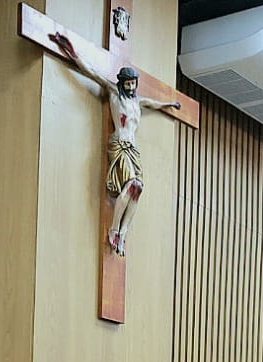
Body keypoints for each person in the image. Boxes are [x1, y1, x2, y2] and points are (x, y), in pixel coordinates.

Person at [49, 31, 182, 256]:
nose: (131, 86)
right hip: (119, 144)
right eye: (128, 83)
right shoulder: (113, 93)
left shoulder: (138, 102)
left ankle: (123, 231)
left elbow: (156, 104)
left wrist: (171, 104)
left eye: (133, 83)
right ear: (122, 83)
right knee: (130, 184)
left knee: (138, 188)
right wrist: (72, 52)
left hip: (133, 149)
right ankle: (114, 229)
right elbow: (91, 72)